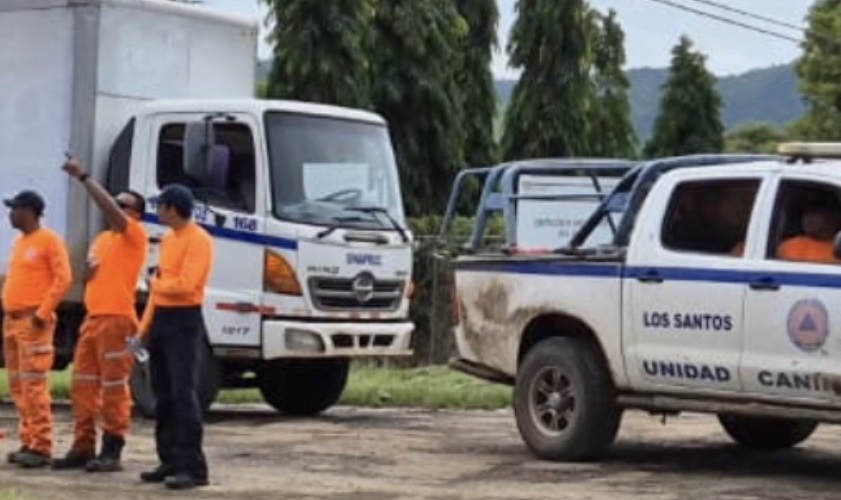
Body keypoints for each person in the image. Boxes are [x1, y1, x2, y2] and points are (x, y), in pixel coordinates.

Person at [51, 159, 148, 472]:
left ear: (134, 214)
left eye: (123, 205)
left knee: (114, 388)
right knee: (83, 385)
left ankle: (112, 448)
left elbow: (111, 210)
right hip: (93, 319)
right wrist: (86, 275)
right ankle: (82, 445)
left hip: (118, 320)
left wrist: (84, 178)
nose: (115, 207)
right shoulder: (102, 240)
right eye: (116, 202)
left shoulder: (134, 235)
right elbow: (91, 276)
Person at [134, 184, 213, 490]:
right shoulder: (168, 240)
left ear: (172, 208)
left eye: (161, 206)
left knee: (183, 394)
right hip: (162, 320)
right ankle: (168, 459)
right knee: (162, 395)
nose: (158, 212)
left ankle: (193, 467)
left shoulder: (199, 240)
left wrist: (157, 283)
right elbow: (159, 290)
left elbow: (186, 285)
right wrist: (143, 330)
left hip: (184, 320)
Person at [2, 190, 71, 468]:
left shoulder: (50, 241)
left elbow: (64, 278)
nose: (10, 214)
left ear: (28, 211)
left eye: (14, 208)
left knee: (33, 385)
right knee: (18, 385)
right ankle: (28, 440)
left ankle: (41, 446)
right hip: (12, 322)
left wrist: (42, 313)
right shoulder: (19, 241)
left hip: (33, 323)